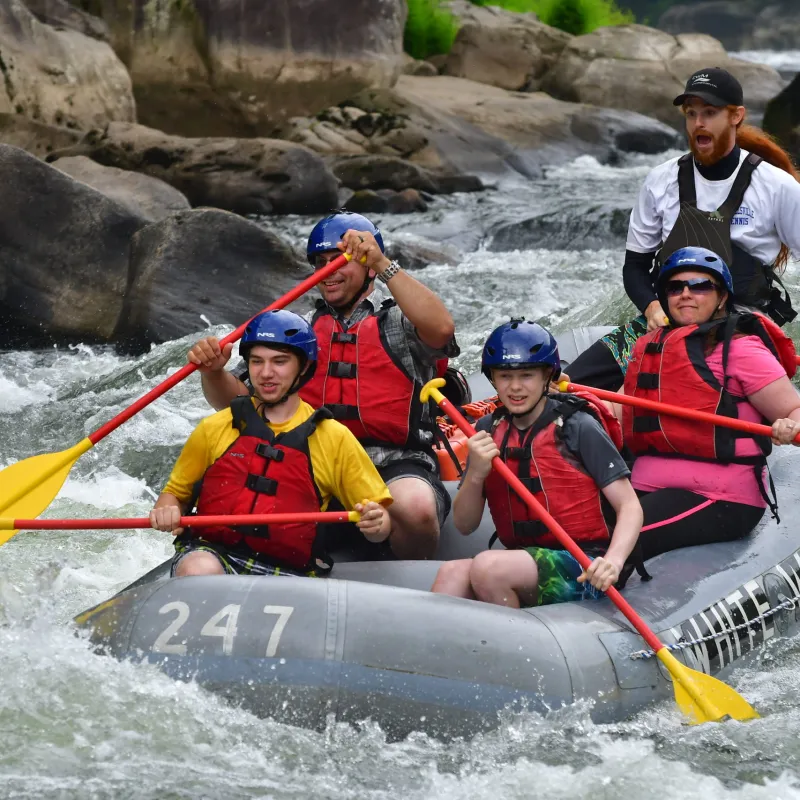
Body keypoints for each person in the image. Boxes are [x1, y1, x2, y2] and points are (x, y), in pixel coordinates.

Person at [187, 212, 459, 560]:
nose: (329, 270)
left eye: (340, 260)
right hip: (312, 463)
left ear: (369, 267)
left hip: (394, 460)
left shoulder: (398, 323)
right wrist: (213, 372)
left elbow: (441, 330)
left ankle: (410, 574)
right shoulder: (297, 331)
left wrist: (382, 261)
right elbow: (237, 403)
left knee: (416, 507)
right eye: (321, 263)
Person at [568, 66, 800, 392]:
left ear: (736, 116)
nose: (698, 123)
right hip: (668, 322)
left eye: (710, 112)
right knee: (567, 387)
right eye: (691, 114)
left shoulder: (776, 186)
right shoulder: (660, 180)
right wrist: (651, 307)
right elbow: (635, 266)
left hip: (741, 327)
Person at [149, 310, 393, 578]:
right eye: (256, 362)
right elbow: (175, 495)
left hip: (289, 573)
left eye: (280, 361)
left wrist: (377, 523)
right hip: (214, 554)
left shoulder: (333, 437)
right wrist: (166, 509)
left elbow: (379, 521)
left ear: (303, 367)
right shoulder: (215, 427)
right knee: (198, 568)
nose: (266, 373)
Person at [430, 320, 644, 608]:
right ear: (492, 379)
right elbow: (465, 525)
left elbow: (629, 506)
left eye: (527, 376)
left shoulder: (577, 425)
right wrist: (476, 476)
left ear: (547, 376)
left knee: (488, 568)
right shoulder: (488, 429)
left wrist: (614, 561)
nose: (515, 387)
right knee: (451, 573)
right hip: (524, 560)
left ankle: (511, 646)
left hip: (588, 563)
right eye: (504, 376)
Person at [616, 246, 800, 561]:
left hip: (720, 496)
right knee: (582, 525)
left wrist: (790, 424)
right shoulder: (649, 349)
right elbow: (614, 411)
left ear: (722, 297)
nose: (686, 294)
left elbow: (793, 410)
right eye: (676, 287)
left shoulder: (741, 350)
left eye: (700, 286)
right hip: (646, 483)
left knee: (615, 537)